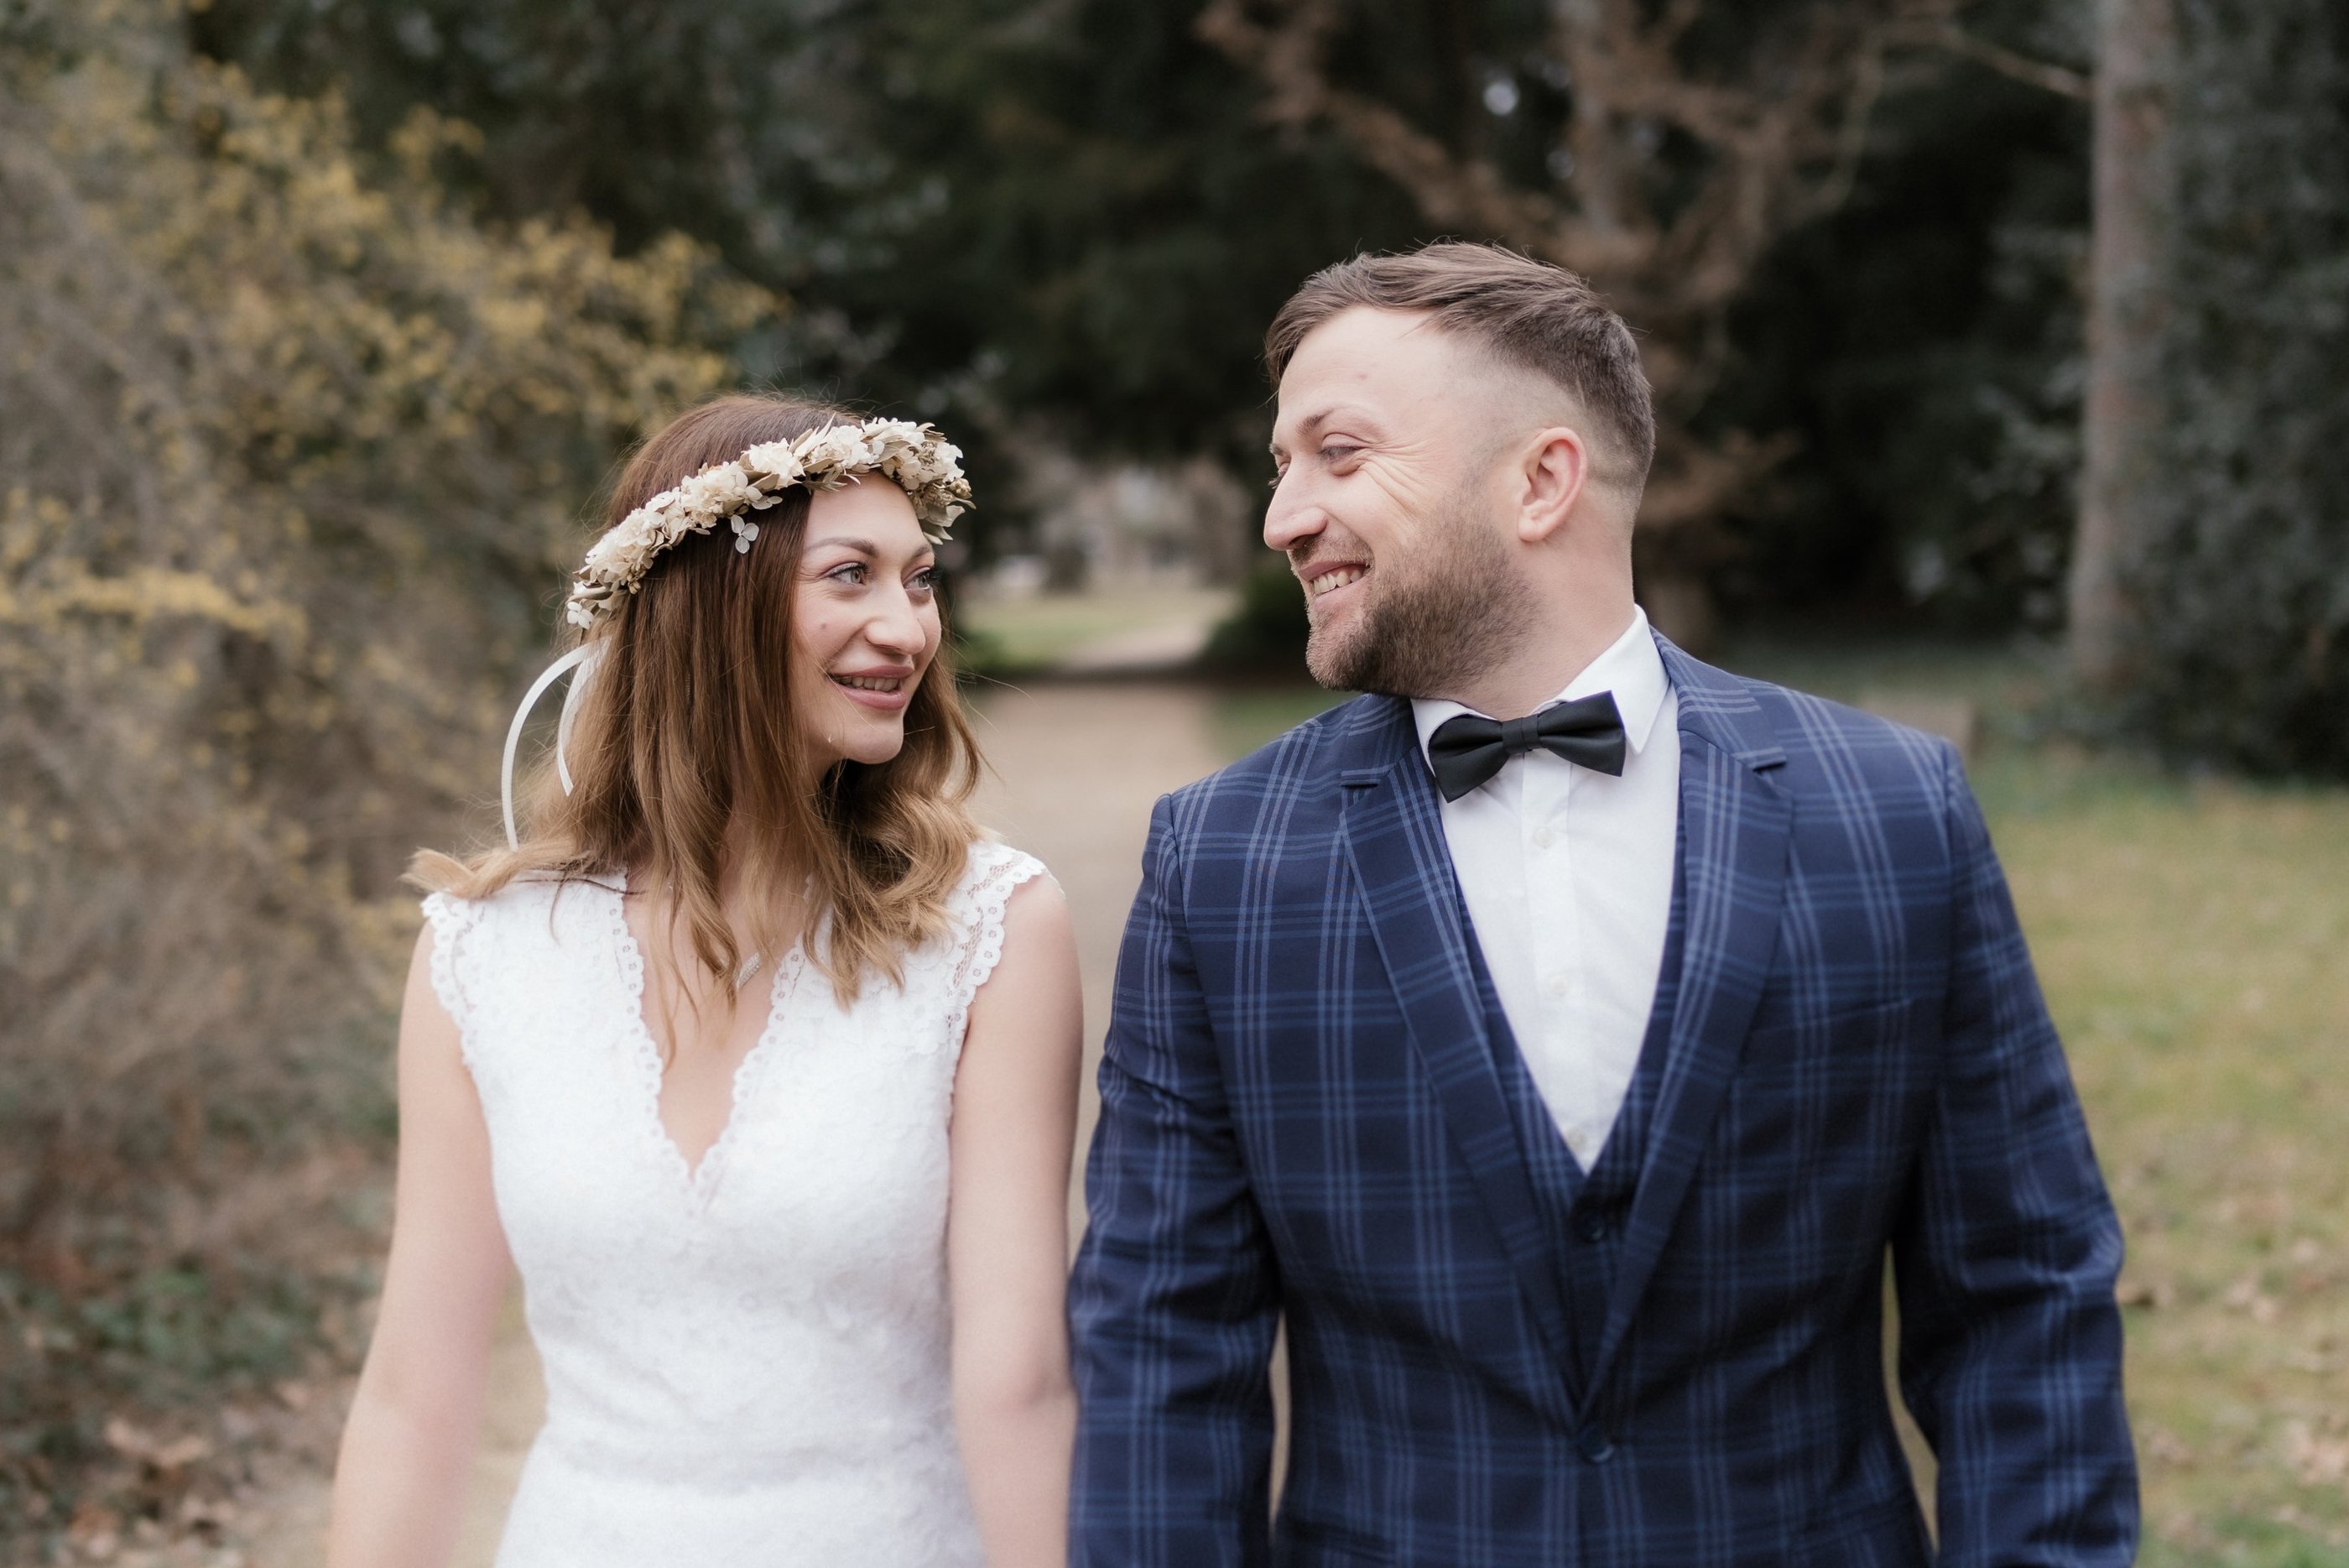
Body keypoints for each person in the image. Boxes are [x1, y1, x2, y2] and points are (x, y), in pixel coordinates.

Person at [1070, 243, 2136, 1565]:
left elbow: (2024, 1300)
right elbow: (1162, 1346)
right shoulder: (1221, 858)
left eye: (1337, 454)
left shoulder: (1895, 811)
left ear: (1542, 480)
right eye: (1283, 465)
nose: (1284, 516)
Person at [327, 394, 1082, 1567]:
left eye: (920, 579)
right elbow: (413, 1393)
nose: (907, 627)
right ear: (709, 605)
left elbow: (1020, 1384)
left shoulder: (990, 932)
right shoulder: (483, 951)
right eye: (852, 575)